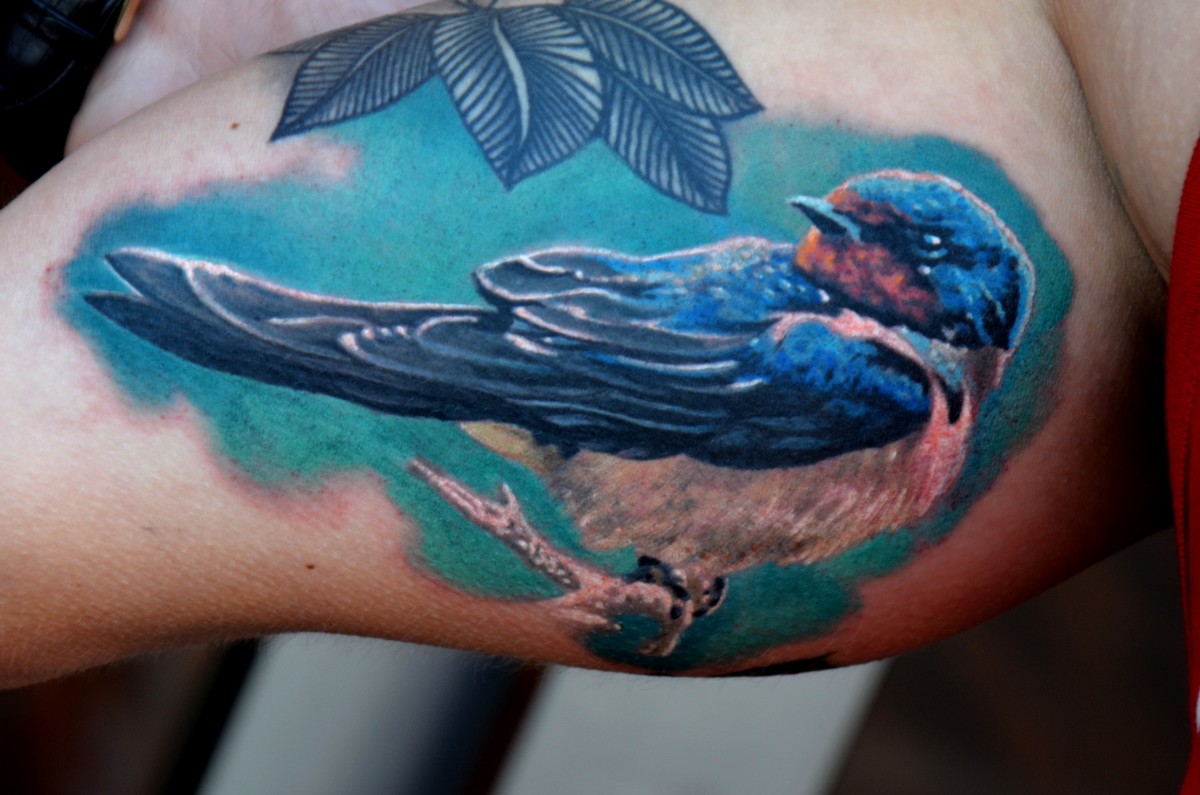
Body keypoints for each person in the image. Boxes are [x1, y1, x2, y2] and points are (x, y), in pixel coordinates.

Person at [0, 0, 1193, 735]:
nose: (828, 237)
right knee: (303, 342)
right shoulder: (877, 379)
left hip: (579, 373)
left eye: (868, 238)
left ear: (931, 281)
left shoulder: (905, 369)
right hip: (585, 396)